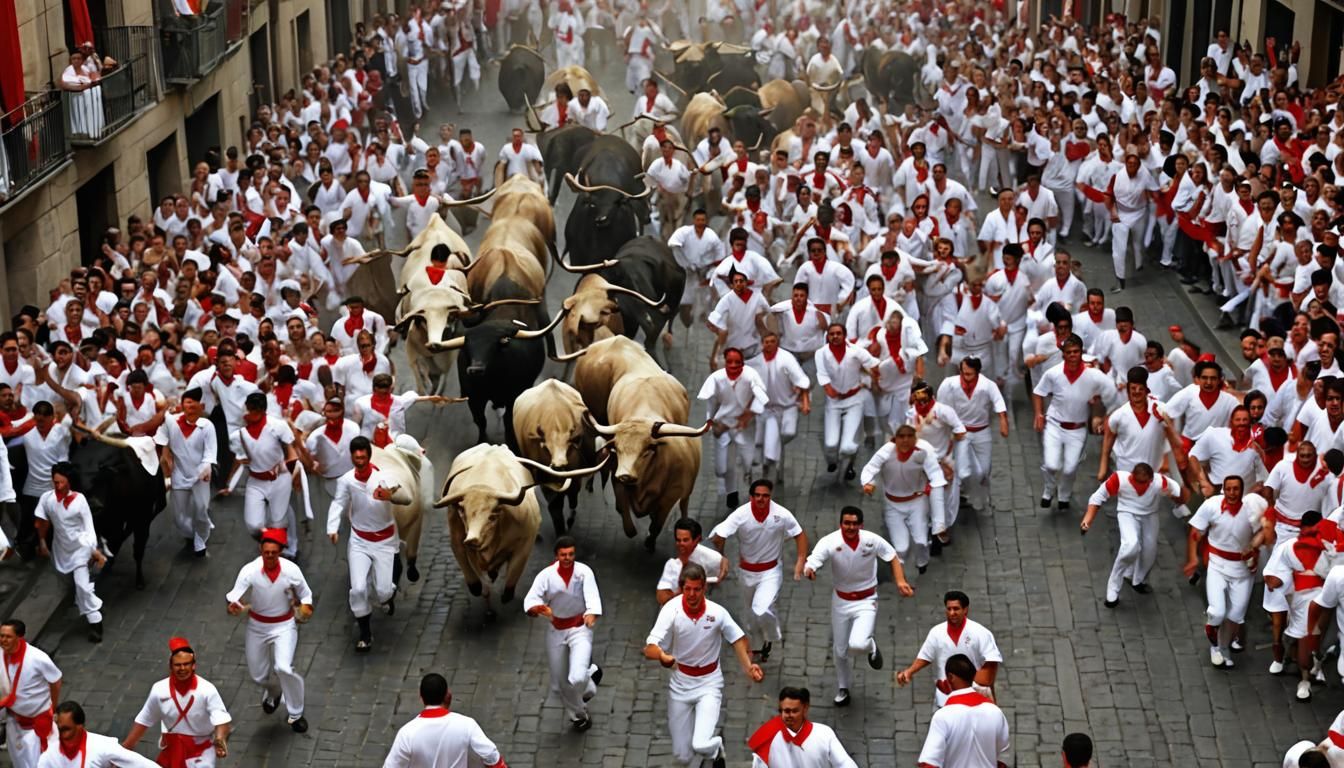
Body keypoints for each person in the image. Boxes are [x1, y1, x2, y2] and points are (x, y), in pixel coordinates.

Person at [644, 562, 764, 767]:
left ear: (704, 588)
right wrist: (662, 656)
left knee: (700, 744)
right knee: (682, 755)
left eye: (696, 589)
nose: (691, 594)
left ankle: (716, 747)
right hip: (680, 685)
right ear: (682, 588)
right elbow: (650, 647)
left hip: (709, 684)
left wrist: (748, 666)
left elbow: (737, 640)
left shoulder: (717, 613)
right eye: (687, 589)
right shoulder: (670, 610)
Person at [804, 506, 913, 706]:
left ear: (861, 525)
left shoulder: (871, 540)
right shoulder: (830, 541)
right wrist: (810, 569)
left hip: (867, 600)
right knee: (840, 650)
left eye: (855, 523)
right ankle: (843, 687)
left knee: (858, 644)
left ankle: (870, 645)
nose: (851, 527)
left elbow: (892, 556)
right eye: (847, 523)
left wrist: (900, 581)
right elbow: (814, 558)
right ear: (841, 524)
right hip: (841, 601)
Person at [224, 528, 314, 733]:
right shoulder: (249, 571)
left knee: (283, 667)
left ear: (280, 551)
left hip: (284, 626)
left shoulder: (291, 571)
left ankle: (296, 713)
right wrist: (233, 606)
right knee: (258, 676)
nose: (270, 556)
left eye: (274, 553)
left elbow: (306, 595)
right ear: (260, 550)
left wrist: (306, 608)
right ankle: (274, 692)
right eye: (266, 553)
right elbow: (234, 597)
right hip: (257, 627)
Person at [327, 436, 412, 652]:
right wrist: (332, 527)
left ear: (369, 456)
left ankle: (387, 594)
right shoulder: (346, 480)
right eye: (356, 458)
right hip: (360, 541)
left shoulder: (384, 478)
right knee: (358, 588)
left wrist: (390, 495)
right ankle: (365, 633)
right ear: (352, 458)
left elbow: (406, 497)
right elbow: (339, 502)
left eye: (363, 458)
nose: (360, 462)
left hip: (384, 541)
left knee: (383, 591)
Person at [709, 479, 808, 662]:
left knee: (761, 609)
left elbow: (799, 534)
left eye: (766, 496)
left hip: (771, 571)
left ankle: (772, 635)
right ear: (751, 497)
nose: (762, 500)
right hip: (746, 572)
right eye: (758, 496)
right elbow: (719, 535)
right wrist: (721, 556)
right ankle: (759, 646)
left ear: (770, 497)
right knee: (750, 615)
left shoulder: (781, 514)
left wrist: (800, 561)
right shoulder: (741, 514)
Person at [1184, 475, 1268, 669]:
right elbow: (1196, 532)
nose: (1232, 493)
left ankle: (1224, 647)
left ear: (1241, 491)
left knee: (1235, 615)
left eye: (1236, 489)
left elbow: (1269, 525)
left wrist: (1256, 543)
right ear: (1223, 489)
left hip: (1243, 570)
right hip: (1217, 566)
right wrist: (1193, 558)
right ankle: (1215, 647)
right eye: (1228, 489)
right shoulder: (1211, 506)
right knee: (1217, 612)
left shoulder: (1253, 508)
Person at [522, 536, 604, 732]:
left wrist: (592, 612)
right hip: (556, 631)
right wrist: (538, 609)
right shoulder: (546, 576)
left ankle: (586, 679)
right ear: (556, 556)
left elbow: (592, 595)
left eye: (571, 554)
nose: (567, 558)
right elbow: (531, 600)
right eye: (563, 554)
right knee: (559, 686)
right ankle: (580, 711)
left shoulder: (584, 572)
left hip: (579, 629)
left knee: (575, 678)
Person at [1032, 335, 1121, 510]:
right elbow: (1039, 392)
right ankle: (1049, 489)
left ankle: (1064, 496)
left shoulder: (1094, 376)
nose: (1073, 355)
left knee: (1070, 468)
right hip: (1055, 425)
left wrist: (1102, 414)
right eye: (1069, 352)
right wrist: (1038, 414)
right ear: (1063, 354)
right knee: (1051, 464)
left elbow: (1111, 394)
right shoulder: (1053, 373)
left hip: (1077, 429)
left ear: (1081, 352)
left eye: (1076, 351)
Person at [1082, 463, 1189, 606]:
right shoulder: (1120, 479)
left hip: (1150, 515)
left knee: (1149, 552)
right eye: (1136, 481)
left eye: (1143, 482)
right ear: (1131, 476)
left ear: (1151, 480)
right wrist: (1088, 520)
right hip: (1127, 513)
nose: (1139, 486)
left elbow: (1180, 496)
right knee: (1130, 545)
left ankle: (1138, 580)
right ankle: (1113, 588)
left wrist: (1174, 497)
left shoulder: (1160, 482)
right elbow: (1098, 497)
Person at [122, 637, 231, 767]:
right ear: (171, 666)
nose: (182, 668)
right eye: (178, 665)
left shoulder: (207, 690)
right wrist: (124, 750)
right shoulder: (159, 690)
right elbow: (144, 720)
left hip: (201, 753)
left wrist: (219, 739)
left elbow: (221, 719)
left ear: (193, 665)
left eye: (186, 664)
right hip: (172, 751)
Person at [861, 424, 947, 574]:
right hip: (893, 505)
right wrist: (868, 482)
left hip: (917, 502)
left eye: (909, 437)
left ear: (915, 438)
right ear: (895, 439)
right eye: (901, 437)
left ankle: (922, 561)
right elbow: (870, 468)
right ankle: (901, 572)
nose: (905, 441)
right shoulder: (886, 451)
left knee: (920, 541)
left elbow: (936, 478)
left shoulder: (924, 450)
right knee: (901, 547)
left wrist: (939, 523)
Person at [34, 462, 105, 642]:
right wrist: (42, 542)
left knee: (81, 584)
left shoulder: (80, 500)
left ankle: (95, 621)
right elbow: (40, 522)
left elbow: (89, 528)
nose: (57, 486)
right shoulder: (46, 499)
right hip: (61, 549)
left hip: (81, 548)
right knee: (72, 585)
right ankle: (85, 601)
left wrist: (92, 550)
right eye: (55, 482)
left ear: (69, 482)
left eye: (61, 482)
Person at [896, 591, 1002, 708]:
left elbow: (992, 663)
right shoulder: (936, 633)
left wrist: (971, 684)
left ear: (965, 610)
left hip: (973, 702)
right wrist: (910, 671)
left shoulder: (981, 633)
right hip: (944, 700)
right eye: (949, 609)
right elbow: (926, 655)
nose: (952, 613)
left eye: (956, 609)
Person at [382, 673, 507, 768]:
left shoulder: (407, 733)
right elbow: (491, 755)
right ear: (447, 695)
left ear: (421, 697)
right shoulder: (466, 725)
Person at [698, 347, 768, 508]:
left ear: (743, 364)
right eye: (730, 362)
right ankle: (732, 492)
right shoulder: (716, 379)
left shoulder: (751, 376)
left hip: (745, 426)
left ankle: (749, 476)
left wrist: (747, 416)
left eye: (737, 362)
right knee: (723, 467)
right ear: (725, 362)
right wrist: (711, 422)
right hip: (723, 425)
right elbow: (711, 404)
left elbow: (760, 398)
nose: (733, 366)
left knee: (747, 460)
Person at [916, 654, 1010, 767]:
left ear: (950, 677)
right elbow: (1002, 759)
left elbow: (929, 764)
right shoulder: (995, 713)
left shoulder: (943, 716)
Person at [154, 387, 217, 556]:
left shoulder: (207, 426)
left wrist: (205, 469)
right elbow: (161, 443)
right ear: (182, 405)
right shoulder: (171, 422)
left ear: (201, 406)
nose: (191, 406)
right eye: (188, 402)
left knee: (201, 512)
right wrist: (166, 461)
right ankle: (194, 535)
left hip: (200, 477)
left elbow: (210, 453)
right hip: (179, 476)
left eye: (195, 402)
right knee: (179, 518)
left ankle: (200, 538)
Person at [815, 324, 879, 481]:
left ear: (844, 335)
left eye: (838, 333)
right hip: (833, 402)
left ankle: (849, 464)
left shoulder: (856, 351)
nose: (835, 336)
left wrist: (875, 378)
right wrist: (829, 389)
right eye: (832, 334)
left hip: (854, 400)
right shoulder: (821, 353)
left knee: (848, 446)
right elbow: (822, 375)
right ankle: (832, 461)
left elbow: (874, 363)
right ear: (827, 336)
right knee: (830, 444)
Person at [0, 619, 61, 768]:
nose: (3, 640)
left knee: (39, 761)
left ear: (19, 637)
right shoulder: (0, 655)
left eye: (8, 637)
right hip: (14, 720)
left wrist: (53, 707)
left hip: (37, 722)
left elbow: (56, 680)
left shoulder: (37, 658)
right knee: (19, 759)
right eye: (1, 636)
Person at [746, 686, 857, 767]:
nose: (790, 715)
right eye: (786, 711)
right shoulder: (767, 737)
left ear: (805, 709)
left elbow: (844, 764)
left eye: (795, 711)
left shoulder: (824, 734)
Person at [37, 701, 158, 767]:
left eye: (66, 729)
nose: (61, 735)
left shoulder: (102, 746)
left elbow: (139, 763)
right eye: (59, 729)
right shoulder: (49, 757)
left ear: (80, 727)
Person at [656, 518, 727, 605]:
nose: (681, 544)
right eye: (678, 540)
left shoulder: (709, 556)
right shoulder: (671, 565)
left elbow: (722, 564)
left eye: (685, 540)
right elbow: (661, 598)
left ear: (697, 540)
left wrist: (724, 564)